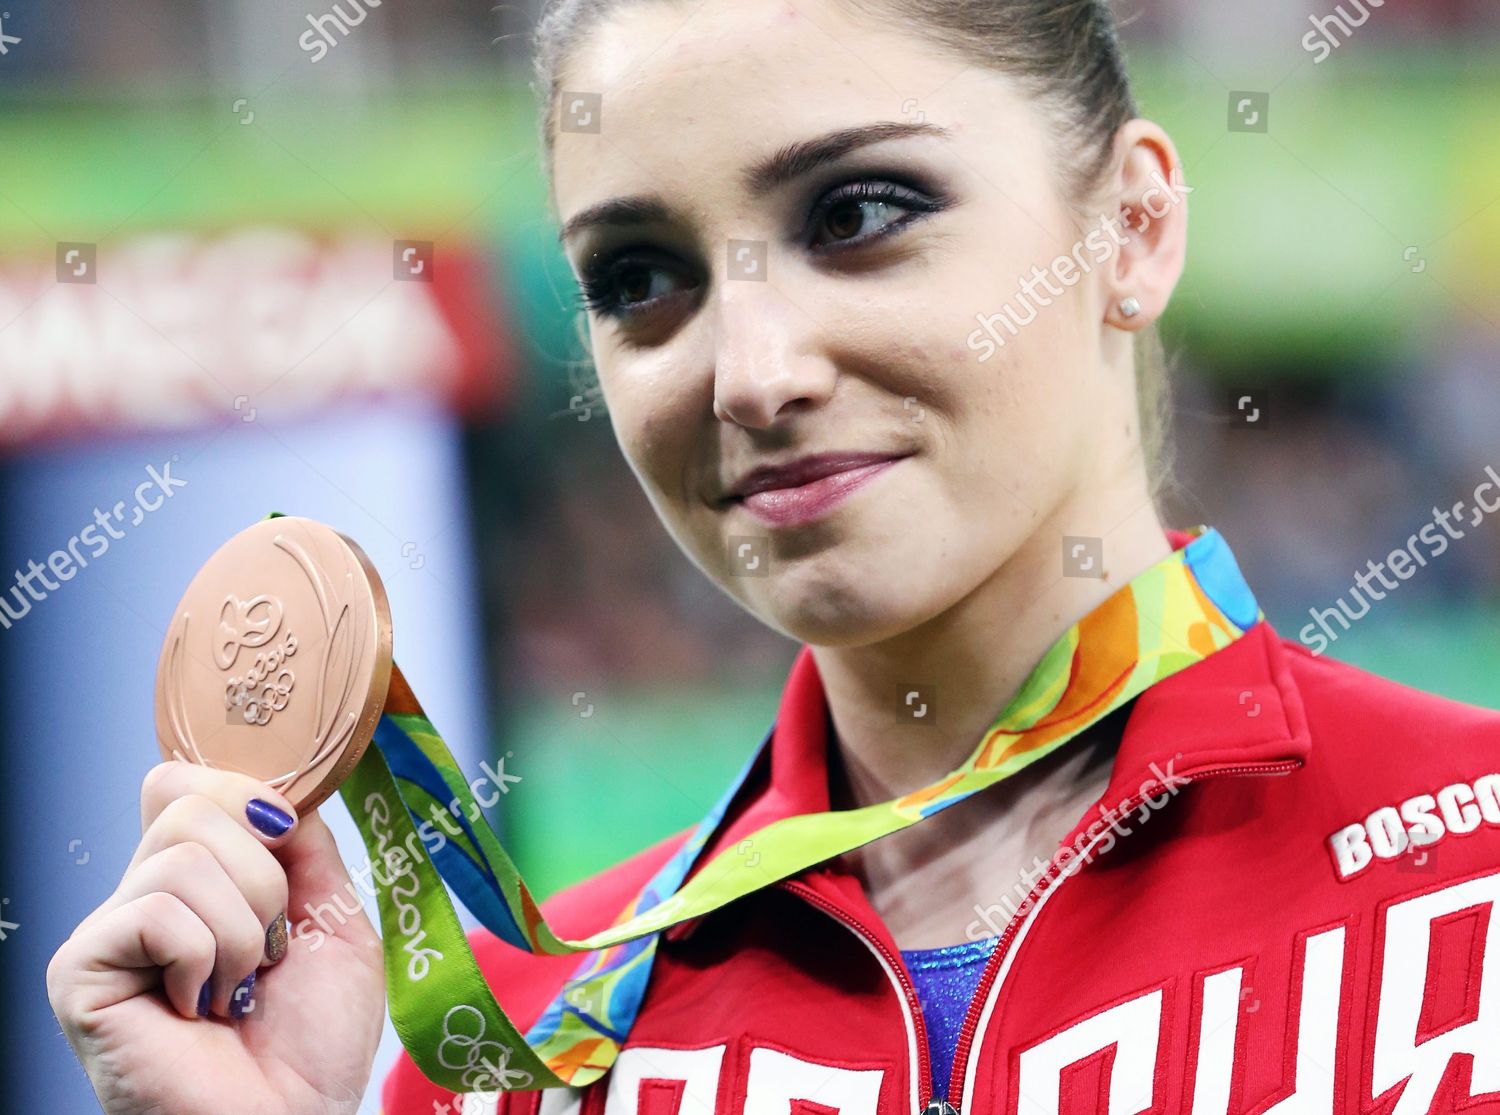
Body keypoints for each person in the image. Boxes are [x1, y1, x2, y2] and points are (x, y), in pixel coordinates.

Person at [46, 1, 1500, 1112]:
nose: (748, 371)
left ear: (1130, 223)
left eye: (858, 214)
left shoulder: (1472, 860)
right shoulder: (525, 1054)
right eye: (640, 281)